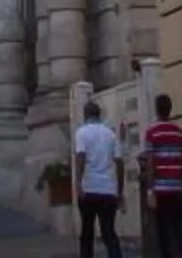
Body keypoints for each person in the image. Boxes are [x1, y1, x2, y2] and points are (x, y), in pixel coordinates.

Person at [143, 94, 182, 258]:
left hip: (160, 189)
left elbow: (150, 163)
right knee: (179, 227)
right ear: (170, 109)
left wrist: (150, 190)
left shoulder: (152, 132)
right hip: (176, 187)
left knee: (162, 230)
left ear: (156, 110)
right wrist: (181, 184)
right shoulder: (179, 132)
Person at [74, 98, 127, 258]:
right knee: (109, 233)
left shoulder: (81, 133)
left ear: (85, 115)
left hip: (89, 188)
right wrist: (119, 191)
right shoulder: (110, 134)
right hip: (108, 190)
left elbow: (81, 157)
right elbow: (119, 163)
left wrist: (78, 182)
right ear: (99, 115)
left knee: (87, 233)